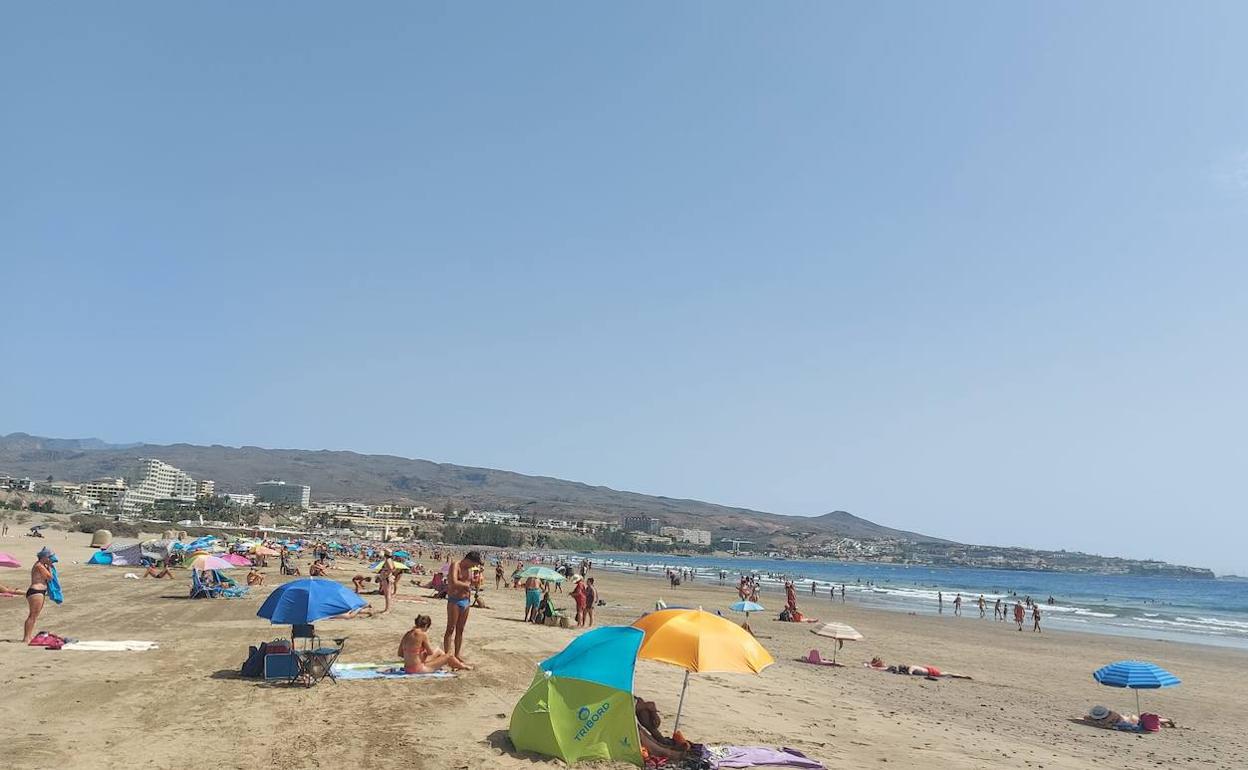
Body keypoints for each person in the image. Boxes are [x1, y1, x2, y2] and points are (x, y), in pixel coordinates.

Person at [443, 550, 483, 661]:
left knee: (460, 629)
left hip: (466, 600)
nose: (474, 566)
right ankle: (447, 655)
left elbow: (473, 583)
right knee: (450, 628)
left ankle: (457, 654)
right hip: (454, 600)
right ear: (468, 560)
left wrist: (478, 576)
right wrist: (467, 585)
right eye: (474, 563)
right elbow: (453, 582)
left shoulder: (470, 569)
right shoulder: (456, 565)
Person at [399, 615, 471, 673]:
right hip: (418, 669)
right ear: (426, 626)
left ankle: (454, 665)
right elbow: (430, 653)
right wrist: (422, 653)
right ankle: (462, 666)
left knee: (438, 651)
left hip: (407, 668)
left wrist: (415, 654)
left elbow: (400, 653)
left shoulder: (407, 634)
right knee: (449, 655)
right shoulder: (422, 635)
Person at [23, 547, 55, 643]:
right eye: (49, 557)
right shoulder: (39, 566)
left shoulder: (42, 565)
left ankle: (28, 636)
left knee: (34, 615)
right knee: (32, 615)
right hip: (35, 592)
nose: (50, 559)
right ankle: (26, 637)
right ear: (44, 557)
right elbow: (49, 577)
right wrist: (49, 567)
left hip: (39, 592)